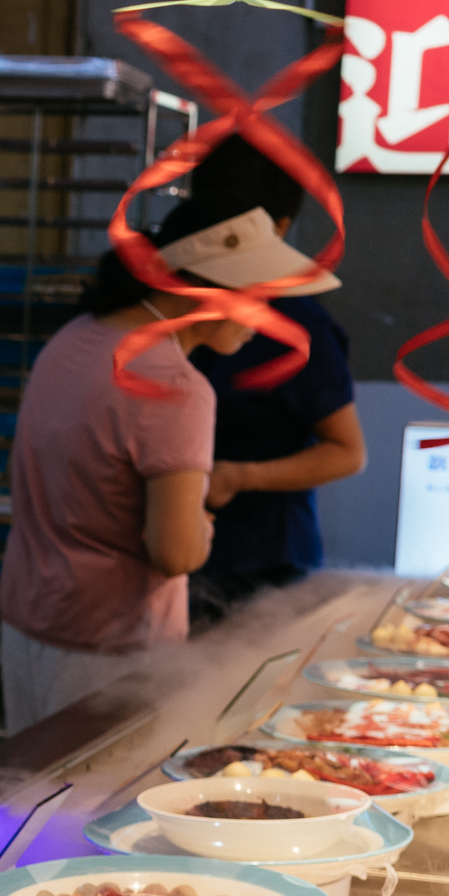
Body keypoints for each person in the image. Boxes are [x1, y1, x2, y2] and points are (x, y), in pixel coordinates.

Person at [0, 192, 277, 731]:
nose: (266, 319)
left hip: (30, 622)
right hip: (113, 649)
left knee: (31, 801)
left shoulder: (74, 337)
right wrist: (199, 524)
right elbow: (175, 552)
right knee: (94, 808)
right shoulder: (177, 387)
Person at [181, 141, 364, 623]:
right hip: (163, 552)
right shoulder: (152, 313)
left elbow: (347, 450)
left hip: (260, 562)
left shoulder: (299, 326)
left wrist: (240, 476)